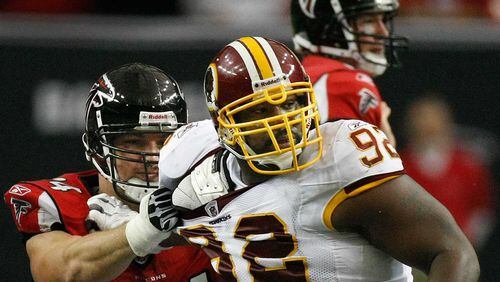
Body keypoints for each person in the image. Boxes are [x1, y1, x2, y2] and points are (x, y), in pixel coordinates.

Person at [159, 36, 479, 281]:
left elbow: (452, 252)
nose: (281, 121)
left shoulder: (340, 158)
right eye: (259, 111)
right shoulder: (188, 159)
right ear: (222, 126)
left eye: (291, 102)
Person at [4, 63, 218, 281]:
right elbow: (57, 273)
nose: (156, 157)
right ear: (97, 148)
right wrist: (138, 231)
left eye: (164, 141)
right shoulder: (56, 201)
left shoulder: (208, 195)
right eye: (135, 142)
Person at [290, 0, 409, 147]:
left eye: (383, 20)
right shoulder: (346, 82)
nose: (383, 31)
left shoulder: (305, 74)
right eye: (368, 21)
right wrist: (388, 143)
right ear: (329, 29)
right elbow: (371, 168)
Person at [402, 94, 495, 249]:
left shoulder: (468, 165)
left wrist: (468, 243)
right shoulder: (399, 165)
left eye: (434, 118)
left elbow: (483, 208)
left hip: (458, 250)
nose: (428, 125)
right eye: (422, 118)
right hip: (413, 253)